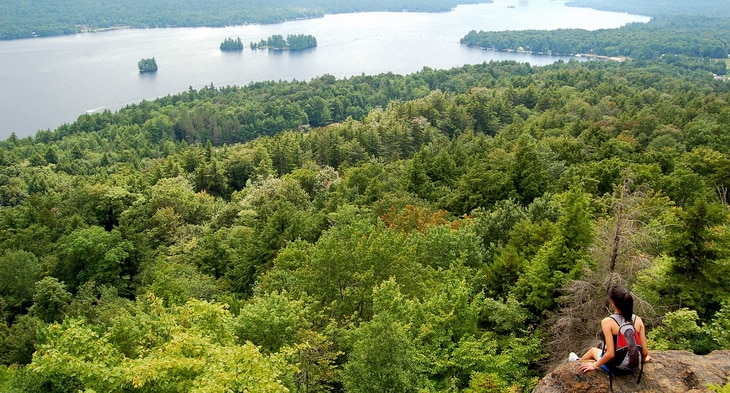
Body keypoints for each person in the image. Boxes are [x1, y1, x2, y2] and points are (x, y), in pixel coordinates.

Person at [571, 286, 651, 374]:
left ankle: (577, 362)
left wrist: (595, 365)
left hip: (617, 367)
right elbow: (645, 351)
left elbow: (610, 354)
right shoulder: (638, 320)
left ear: (612, 302)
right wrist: (642, 360)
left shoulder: (608, 322)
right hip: (634, 366)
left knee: (593, 350)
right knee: (596, 351)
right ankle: (578, 361)